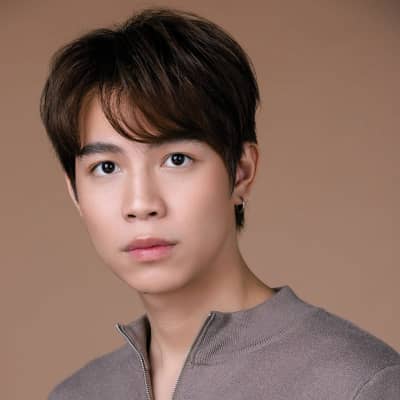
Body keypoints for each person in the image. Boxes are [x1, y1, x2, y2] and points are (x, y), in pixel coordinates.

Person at [40, 6, 399, 400]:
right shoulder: (76, 394)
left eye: (177, 159)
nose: (141, 204)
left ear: (241, 172)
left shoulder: (359, 383)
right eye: (107, 167)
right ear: (75, 192)